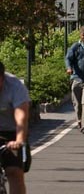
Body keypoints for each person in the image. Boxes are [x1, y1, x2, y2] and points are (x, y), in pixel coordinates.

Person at [0, 61, 30, 194]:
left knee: (14, 172)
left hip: (11, 132)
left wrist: (19, 140)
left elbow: (21, 116)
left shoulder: (15, 86)